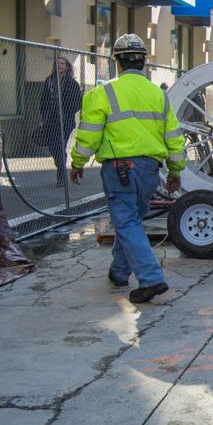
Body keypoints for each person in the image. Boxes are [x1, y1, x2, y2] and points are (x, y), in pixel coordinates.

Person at [70, 34, 186, 304]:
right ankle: (119, 272)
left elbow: (89, 134)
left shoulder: (103, 92)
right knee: (130, 221)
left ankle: (151, 278)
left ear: (117, 64)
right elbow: (174, 137)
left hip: (119, 168)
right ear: (143, 62)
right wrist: (175, 171)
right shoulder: (159, 94)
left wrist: (77, 162)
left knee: (126, 221)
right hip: (149, 170)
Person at [40, 57, 82, 187]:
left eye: (62, 63)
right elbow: (43, 100)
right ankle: (61, 166)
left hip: (65, 120)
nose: (59, 65)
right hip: (51, 119)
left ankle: (61, 174)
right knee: (53, 147)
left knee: (60, 144)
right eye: (57, 63)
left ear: (67, 67)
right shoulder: (49, 81)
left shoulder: (71, 83)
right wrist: (43, 117)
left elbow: (77, 103)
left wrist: (66, 112)